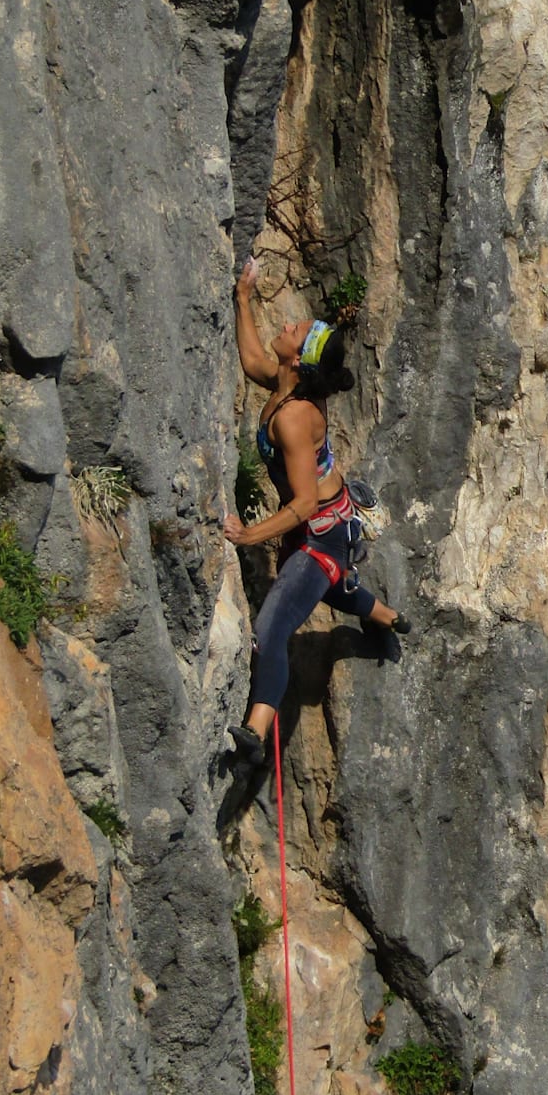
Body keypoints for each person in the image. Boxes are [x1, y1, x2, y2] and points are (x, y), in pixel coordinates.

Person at [224, 258, 410, 766]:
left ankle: (256, 732)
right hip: (328, 526)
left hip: (321, 538)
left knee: (272, 628)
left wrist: (249, 536)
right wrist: (242, 299)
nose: (287, 325)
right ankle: (387, 617)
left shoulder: (295, 418)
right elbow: (252, 362)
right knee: (331, 588)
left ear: (300, 359)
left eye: (296, 329)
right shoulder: (286, 388)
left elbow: (304, 504)